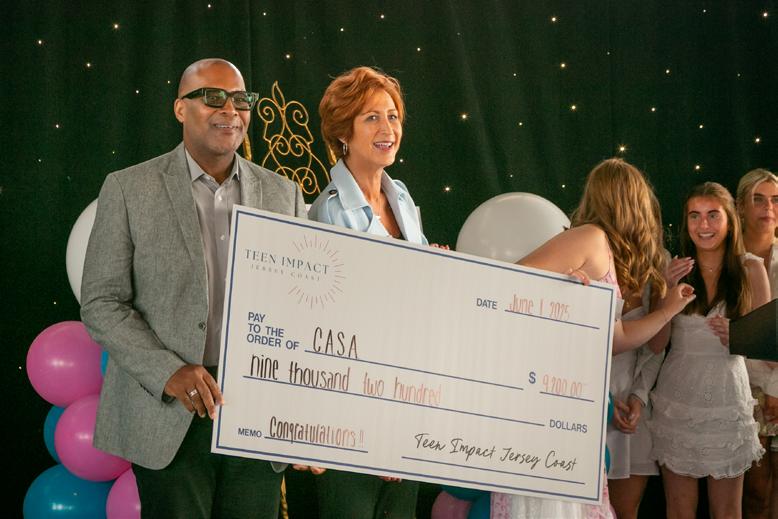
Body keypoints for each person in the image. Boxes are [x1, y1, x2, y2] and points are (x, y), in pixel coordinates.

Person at [80, 58, 306, 518]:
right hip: (170, 411)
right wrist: (169, 371)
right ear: (180, 108)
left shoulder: (285, 194)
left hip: (256, 410)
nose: (230, 110)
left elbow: (304, 304)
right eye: (213, 97)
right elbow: (101, 302)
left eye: (240, 99)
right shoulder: (128, 188)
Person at [491, 158, 696, 519]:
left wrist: (668, 309)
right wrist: (555, 298)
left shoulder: (604, 250)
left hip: (578, 405)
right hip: (549, 402)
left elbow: (616, 339)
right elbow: (507, 284)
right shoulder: (590, 238)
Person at [305, 66, 428, 518]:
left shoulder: (403, 198)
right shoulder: (328, 211)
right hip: (350, 411)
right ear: (344, 132)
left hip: (405, 401)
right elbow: (328, 324)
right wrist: (376, 427)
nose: (387, 129)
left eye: (392, 116)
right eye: (371, 118)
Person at [649, 182, 771, 519]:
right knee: (679, 510)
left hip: (728, 398)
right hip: (678, 398)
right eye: (695, 216)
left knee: (728, 512)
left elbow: (764, 349)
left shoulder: (750, 268)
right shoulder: (674, 269)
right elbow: (656, 345)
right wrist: (667, 291)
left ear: (730, 219)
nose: (704, 225)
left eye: (713, 215)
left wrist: (738, 336)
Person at [737, 169, 778, 519]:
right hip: (742, 386)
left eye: (776, 200)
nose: (769, 207)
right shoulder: (725, 259)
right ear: (740, 206)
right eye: (759, 199)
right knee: (755, 491)